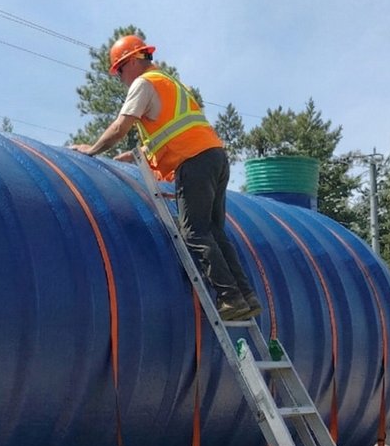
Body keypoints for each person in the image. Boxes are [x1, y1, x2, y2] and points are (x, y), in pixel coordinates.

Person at [71, 35, 262, 321]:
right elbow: (173, 129)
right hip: (215, 157)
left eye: (120, 70)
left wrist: (93, 150)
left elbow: (120, 126)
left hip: (193, 161)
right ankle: (247, 296)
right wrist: (136, 155)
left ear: (133, 61)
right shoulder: (171, 84)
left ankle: (230, 298)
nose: (120, 78)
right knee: (215, 231)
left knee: (194, 232)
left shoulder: (143, 83)